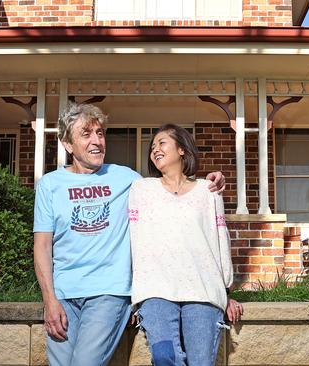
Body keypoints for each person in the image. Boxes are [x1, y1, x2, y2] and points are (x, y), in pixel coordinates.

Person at [33, 103, 225, 366]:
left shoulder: (128, 180)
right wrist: (49, 299)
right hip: (64, 292)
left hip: (108, 291)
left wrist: (208, 182)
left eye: (100, 133)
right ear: (67, 144)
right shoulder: (49, 185)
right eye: (86, 134)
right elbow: (42, 246)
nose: (97, 141)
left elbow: (171, 192)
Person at [128, 124, 244, 366]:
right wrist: (131, 293)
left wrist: (225, 291)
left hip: (202, 291)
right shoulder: (141, 189)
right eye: (152, 147)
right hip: (155, 291)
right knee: (164, 357)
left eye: (161, 143)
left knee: (201, 363)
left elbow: (220, 242)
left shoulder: (208, 190)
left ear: (181, 149)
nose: (154, 150)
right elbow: (133, 240)